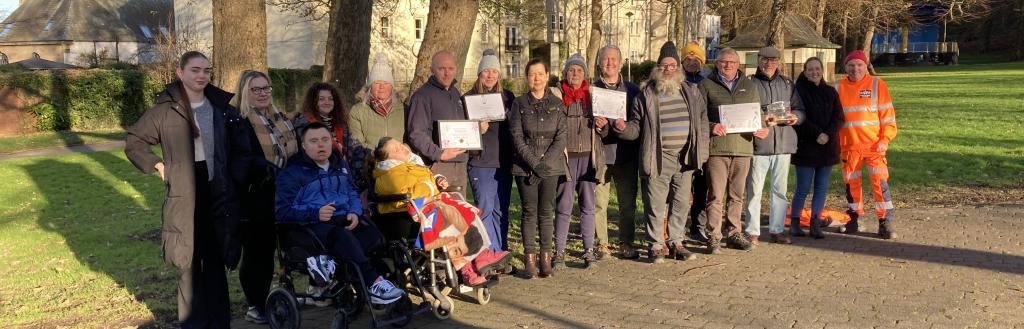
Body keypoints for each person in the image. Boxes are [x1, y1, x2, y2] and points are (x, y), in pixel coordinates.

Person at [124, 51, 246, 328]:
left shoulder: (221, 107)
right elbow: (134, 142)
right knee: (189, 263)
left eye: (206, 70)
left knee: (216, 261)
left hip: (217, 191)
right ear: (180, 73)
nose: (202, 75)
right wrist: (157, 165)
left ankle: (219, 322)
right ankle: (193, 323)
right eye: (195, 70)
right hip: (184, 194)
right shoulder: (165, 110)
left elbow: (237, 148)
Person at [275, 122, 406, 305]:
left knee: (374, 237)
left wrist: (354, 211)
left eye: (324, 140)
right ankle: (374, 284)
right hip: (311, 227)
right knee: (343, 237)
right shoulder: (292, 173)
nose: (320, 145)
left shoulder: (339, 165)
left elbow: (352, 193)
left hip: (344, 219)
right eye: (313, 141)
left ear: (331, 142)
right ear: (304, 146)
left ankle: (337, 269)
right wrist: (315, 213)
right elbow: (282, 212)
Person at [371, 137, 512, 286]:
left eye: (400, 144)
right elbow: (411, 193)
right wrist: (430, 188)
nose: (402, 147)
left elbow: (426, 179)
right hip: (406, 217)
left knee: (463, 209)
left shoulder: (413, 165)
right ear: (386, 158)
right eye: (395, 149)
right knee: (449, 218)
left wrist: (438, 180)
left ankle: (479, 258)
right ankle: (473, 265)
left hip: (428, 207)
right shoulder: (387, 174)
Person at [616, 41, 709, 263]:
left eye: (673, 65)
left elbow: (703, 122)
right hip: (658, 156)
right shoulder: (645, 95)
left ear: (678, 68)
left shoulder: (691, 91)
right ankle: (656, 244)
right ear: (657, 68)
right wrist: (621, 129)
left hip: (686, 156)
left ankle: (676, 242)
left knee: (681, 202)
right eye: (664, 65)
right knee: (655, 203)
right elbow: (636, 127)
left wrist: (701, 151)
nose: (669, 69)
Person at [228, 70, 300, 323]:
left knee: (277, 250)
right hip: (254, 196)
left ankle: (279, 295)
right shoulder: (238, 121)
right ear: (245, 92)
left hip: (284, 192)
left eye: (266, 88)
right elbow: (239, 160)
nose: (262, 93)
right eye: (256, 89)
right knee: (257, 253)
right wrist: (262, 167)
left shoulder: (279, 118)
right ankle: (255, 304)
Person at [698, 47, 766, 254]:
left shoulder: (749, 85)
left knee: (737, 195)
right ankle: (714, 236)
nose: (727, 65)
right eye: (723, 62)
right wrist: (711, 126)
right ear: (716, 63)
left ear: (739, 65)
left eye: (732, 62)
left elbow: (758, 112)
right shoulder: (706, 85)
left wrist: (762, 128)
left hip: (743, 147)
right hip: (717, 149)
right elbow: (698, 115)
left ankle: (735, 233)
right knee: (716, 195)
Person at [509, 58, 568, 279]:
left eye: (540, 74)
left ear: (547, 76)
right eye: (532, 74)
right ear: (527, 77)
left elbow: (561, 136)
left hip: (551, 168)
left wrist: (546, 164)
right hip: (525, 167)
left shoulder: (557, 103)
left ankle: (546, 258)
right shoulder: (519, 104)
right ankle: (530, 259)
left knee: (546, 212)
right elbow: (516, 136)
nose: (536, 78)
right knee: (529, 212)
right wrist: (535, 164)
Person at [551, 53, 609, 269]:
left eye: (579, 70)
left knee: (588, 206)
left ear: (585, 74)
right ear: (566, 73)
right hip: (565, 159)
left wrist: (603, 126)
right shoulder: (556, 95)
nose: (575, 73)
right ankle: (559, 252)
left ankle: (588, 250)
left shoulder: (594, 96)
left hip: (588, 158)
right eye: (571, 70)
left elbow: (605, 130)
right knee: (564, 206)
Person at [835, 50, 898, 239]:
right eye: (851, 65)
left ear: (866, 66)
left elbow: (888, 117)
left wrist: (885, 140)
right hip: (849, 147)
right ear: (845, 67)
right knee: (851, 185)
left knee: (880, 184)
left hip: (874, 147)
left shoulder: (877, 85)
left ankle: (885, 222)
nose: (855, 69)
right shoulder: (837, 87)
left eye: (859, 65)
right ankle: (854, 219)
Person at [743, 46, 803, 245]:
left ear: (779, 61)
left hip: (783, 144)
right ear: (758, 60)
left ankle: (777, 230)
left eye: (774, 60)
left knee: (779, 191)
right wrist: (761, 118)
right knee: (754, 191)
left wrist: (797, 117)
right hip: (759, 145)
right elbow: (744, 111)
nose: (769, 64)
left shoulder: (787, 83)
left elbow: (799, 107)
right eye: (765, 59)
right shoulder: (749, 83)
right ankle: (752, 231)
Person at [591, 44, 642, 260]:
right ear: (599, 62)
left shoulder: (633, 91)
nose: (609, 63)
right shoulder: (592, 90)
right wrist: (595, 124)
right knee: (599, 203)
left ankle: (626, 242)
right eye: (605, 59)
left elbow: (639, 124)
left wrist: (624, 127)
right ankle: (602, 244)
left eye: (613, 59)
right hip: (600, 155)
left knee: (627, 204)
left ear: (620, 63)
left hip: (626, 155)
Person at [464, 49, 516, 255]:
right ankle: (487, 255)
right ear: (479, 73)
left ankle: (501, 252)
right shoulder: (467, 99)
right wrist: (477, 129)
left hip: (503, 162)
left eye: (494, 71)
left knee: (500, 210)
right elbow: (459, 133)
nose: (490, 75)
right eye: (486, 71)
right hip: (480, 162)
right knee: (485, 209)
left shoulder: (507, 97)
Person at [790, 57, 843, 239]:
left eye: (817, 69)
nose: (815, 72)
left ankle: (815, 222)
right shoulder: (798, 92)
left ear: (822, 70)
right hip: (806, 146)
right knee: (803, 187)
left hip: (827, 147)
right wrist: (817, 134)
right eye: (810, 69)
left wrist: (827, 134)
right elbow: (799, 118)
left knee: (821, 187)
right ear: (804, 72)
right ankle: (795, 222)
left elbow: (839, 117)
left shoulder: (831, 92)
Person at [407, 50, 470, 192]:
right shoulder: (422, 96)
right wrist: (438, 153)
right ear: (432, 70)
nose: (447, 73)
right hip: (437, 165)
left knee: (458, 211)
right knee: (440, 210)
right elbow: (416, 134)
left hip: (459, 164)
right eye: (441, 69)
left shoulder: (455, 93)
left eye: (450, 69)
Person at [293, 82, 370, 191]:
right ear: (313, 102)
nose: (327, 102)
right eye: (322, 99)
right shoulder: (305, 124)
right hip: (319, 183)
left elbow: (354, 147)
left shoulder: (339, 124)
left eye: (330, 99)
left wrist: (372, 155)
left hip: (344, 181)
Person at [681, 41, 712, 244]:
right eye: (688, 59)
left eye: (696, 59)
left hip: (703, 141)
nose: (692, 62)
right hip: (683, 142)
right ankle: (679, 226)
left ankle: (698, 227)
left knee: (701, 188)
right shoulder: (676, 80)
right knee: (681, 189)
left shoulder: (708, 82)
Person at [351, 54, 405, 152]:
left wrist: (401, 152)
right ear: (370, 87)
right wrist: (381, 154)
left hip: (400, 161)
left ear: (392, 87)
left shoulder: (404, 110)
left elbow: (411, 139)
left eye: (386, 83)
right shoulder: (357, 111)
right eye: (377, 83)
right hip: (370, 161)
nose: (381, 87)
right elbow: (357, 143)